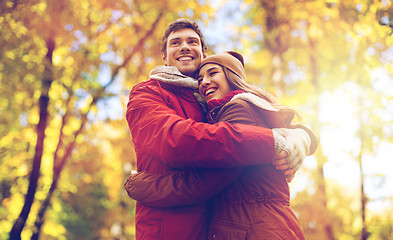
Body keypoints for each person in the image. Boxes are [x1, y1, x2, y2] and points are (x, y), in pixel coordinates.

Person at [125, 18, 314, 240]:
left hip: (222, 228)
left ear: (203, 55)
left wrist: (302, 137)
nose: (185, 46)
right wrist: (273, 141)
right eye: (175, 43)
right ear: (165, 58)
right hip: (169, 229)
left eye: (192, 42)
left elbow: (224, 165)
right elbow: (174, 139)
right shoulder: (148, 92)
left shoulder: (218, 104)